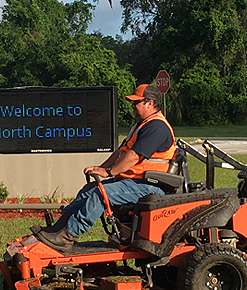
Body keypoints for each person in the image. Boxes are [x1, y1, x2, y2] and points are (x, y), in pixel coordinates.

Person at [36, 83, 177, 252]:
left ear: (150, 103)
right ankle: (58, 229)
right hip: (133, 182)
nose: (132, 106)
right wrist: (100, 168)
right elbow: (121, 153)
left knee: (100, 194)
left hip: (149, 186)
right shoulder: (141, 125)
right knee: (89, 189)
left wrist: (108, 172)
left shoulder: (157, 127)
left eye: (136, 102)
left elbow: (133, 156)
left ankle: (67, 237)